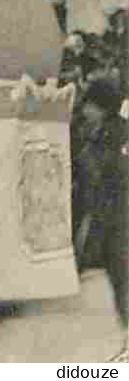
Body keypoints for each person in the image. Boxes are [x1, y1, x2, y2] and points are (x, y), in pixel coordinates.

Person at [73, 76, 127, 358]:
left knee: (123, 280)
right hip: (110, 219)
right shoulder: (99, 132)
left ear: (101, 106)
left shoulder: (114, 134)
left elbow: (111, 173)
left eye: (88, 105)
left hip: (119, 220)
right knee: (119, 280)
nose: (83, 110)